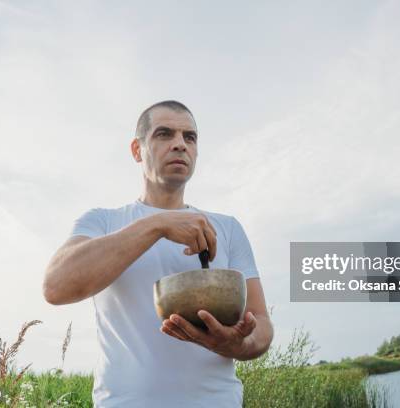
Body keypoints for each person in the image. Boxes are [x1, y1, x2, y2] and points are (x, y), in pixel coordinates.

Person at [42, 100, 274, 407]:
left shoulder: (228, 228)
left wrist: (238, 344)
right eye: (164, 134)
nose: (180, 144)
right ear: (137, 150)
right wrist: (158, 224)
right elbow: (57, 287)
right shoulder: (102, 222)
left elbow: (261, 323)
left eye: (189, 137)